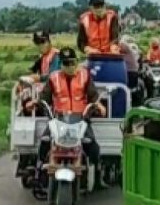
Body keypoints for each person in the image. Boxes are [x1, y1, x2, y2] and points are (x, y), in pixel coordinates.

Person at [31, 48, 106, 193]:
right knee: (45, 140)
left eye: (72, 62)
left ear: (77, 62)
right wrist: (35, 102)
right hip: (59, 118)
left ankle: (97, 176)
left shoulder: (85, 75)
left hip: (81, 118)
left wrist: (99, 105)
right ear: (61, 64)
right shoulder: (54, 78)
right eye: (66, 63)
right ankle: (39, 172)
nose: (70, 66)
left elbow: (93, 95)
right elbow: (44, 97)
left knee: (92, 145)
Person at [17, 30, 61, 115]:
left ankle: (39, 112)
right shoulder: (43, 57)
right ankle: (26, 114)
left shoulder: (56, 56)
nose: (41, 45)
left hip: (54, 90)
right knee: (23, 91)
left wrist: (38, 78)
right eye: (38, 43)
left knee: (32, 94)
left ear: (49, 41)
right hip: (44, 88)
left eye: (43, 42)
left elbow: (54, 77)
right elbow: (31, 70)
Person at [118, 34, 142, 105]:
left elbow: (122, 45)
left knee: (130, 90)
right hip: (125, 72)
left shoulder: (128, 49)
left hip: (130, 72)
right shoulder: (121, 53)